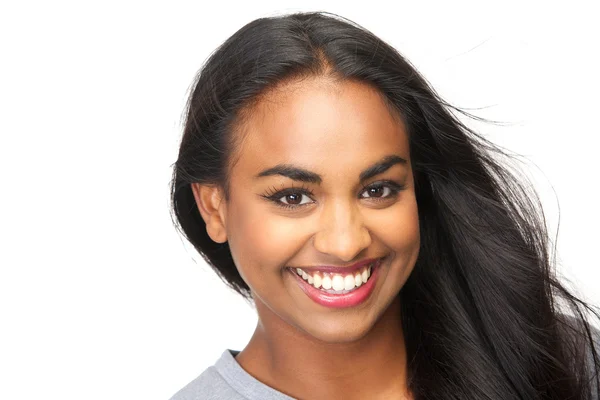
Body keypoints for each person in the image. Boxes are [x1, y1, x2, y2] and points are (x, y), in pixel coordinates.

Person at [168, 11, 600, 400]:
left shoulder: (567, 361)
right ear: (214, 208)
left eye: (377, 190)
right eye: (293, 197)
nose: (345, 243)